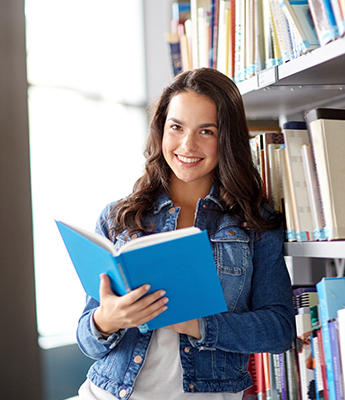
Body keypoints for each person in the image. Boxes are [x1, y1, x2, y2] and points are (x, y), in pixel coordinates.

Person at [76, 68, 296, 400]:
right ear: (161, 131)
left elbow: (279, 330)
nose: (187, 144)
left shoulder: (254, 222)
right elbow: (87, 341)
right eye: (176, 127)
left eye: (205, 131)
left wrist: (199, 325)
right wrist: (106, 319)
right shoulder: (119, 216)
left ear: (226, 138)